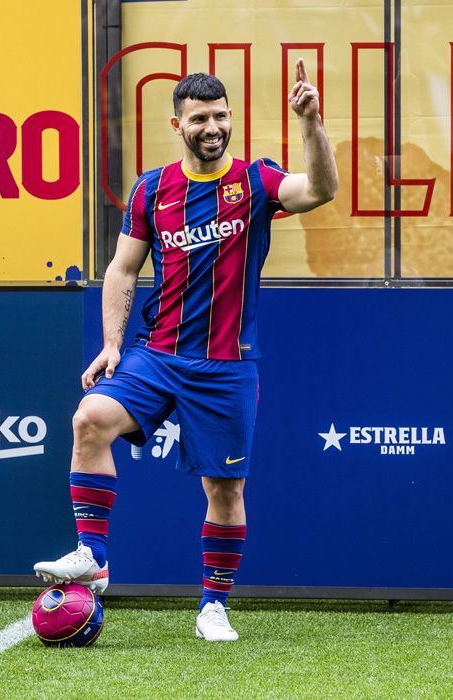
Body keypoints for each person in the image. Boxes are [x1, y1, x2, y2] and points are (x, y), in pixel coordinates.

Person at [35, 59, 338, 641]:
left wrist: (311, 123)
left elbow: (319, 190)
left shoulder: (255, 181)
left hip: (226, 363)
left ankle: (212, 606)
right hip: (159, 354)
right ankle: (92, 554)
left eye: (221, 117)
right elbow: (123, 270)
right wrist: (112, 345)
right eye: (200, 119)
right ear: (178, 125)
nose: (213, 127)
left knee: (224, 491)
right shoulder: (152, 189)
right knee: (90, 418)